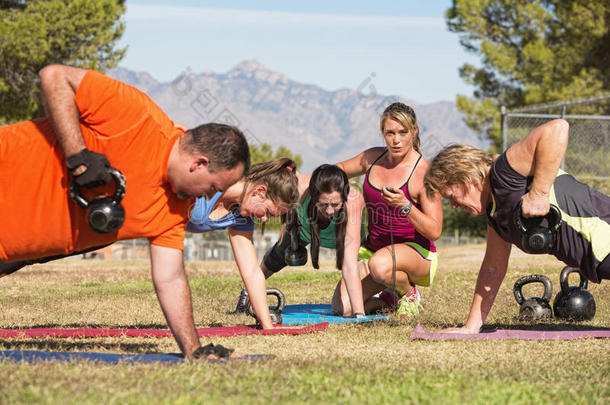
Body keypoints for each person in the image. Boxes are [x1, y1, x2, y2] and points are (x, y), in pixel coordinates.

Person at [0, 64, 250, 359]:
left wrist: (194, 350)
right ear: (198, 163)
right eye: (211, 187)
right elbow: (54, 75)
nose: (210, 197)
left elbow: (170, 278)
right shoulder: (137, 116)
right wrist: (78, 156)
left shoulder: (177, 208)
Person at [423, 119, 610, 333]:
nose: (453, 206)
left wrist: (539, 193)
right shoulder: (496, 215)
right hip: (600, 258)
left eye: (450, 196)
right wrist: (470, 327)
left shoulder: (504, 172)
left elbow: (557, 128)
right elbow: (492, 268)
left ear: (465, 177)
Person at [336, 102, 443, 316]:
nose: (396, 140)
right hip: (374, 250)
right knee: (344, 308)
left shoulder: (424, 172)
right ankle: (389, 301)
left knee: (379, 265)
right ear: (382, 133)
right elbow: (337, 170)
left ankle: (408, 292)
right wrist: (341, 191)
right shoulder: (372, 158)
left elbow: (435, 230)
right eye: (390, 132)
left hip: (416, 254)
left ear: (413, 132)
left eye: (403, 132)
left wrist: (406, 206)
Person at [234, 164, 368, 317]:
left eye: (335, 205)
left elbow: (350, 265)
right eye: (323, 204)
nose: (330, 211)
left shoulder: (353, 200)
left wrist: (359, 314)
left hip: (352, 246)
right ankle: (247, 291)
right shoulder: (299, 188)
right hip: (305, 232)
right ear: (314, 194)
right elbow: (276, 177)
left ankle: (380, 297)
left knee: (344, 308)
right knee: (277, 255)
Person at [187, 157, 299, 327]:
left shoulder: (241, 218)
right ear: (260, 191)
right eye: (268, 212)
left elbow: (252, 272)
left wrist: (267, 326)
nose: (263, 219)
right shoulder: (210, 180)